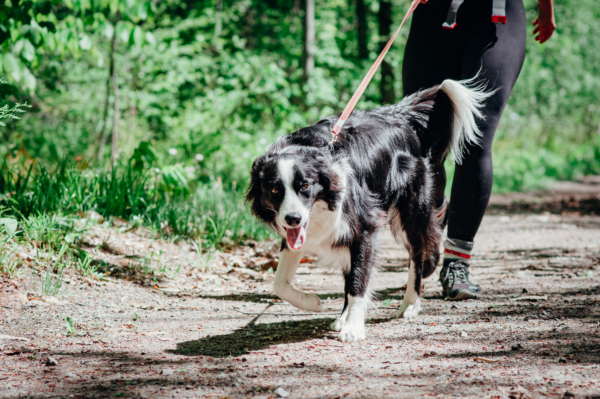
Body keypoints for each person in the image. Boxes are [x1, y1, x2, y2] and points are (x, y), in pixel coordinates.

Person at [402, 0, 555, 300]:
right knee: (421, 140)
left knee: (474, 138)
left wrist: (546, 8)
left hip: (497, 18)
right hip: (434, 15)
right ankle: (433, 216)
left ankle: (456, 264)